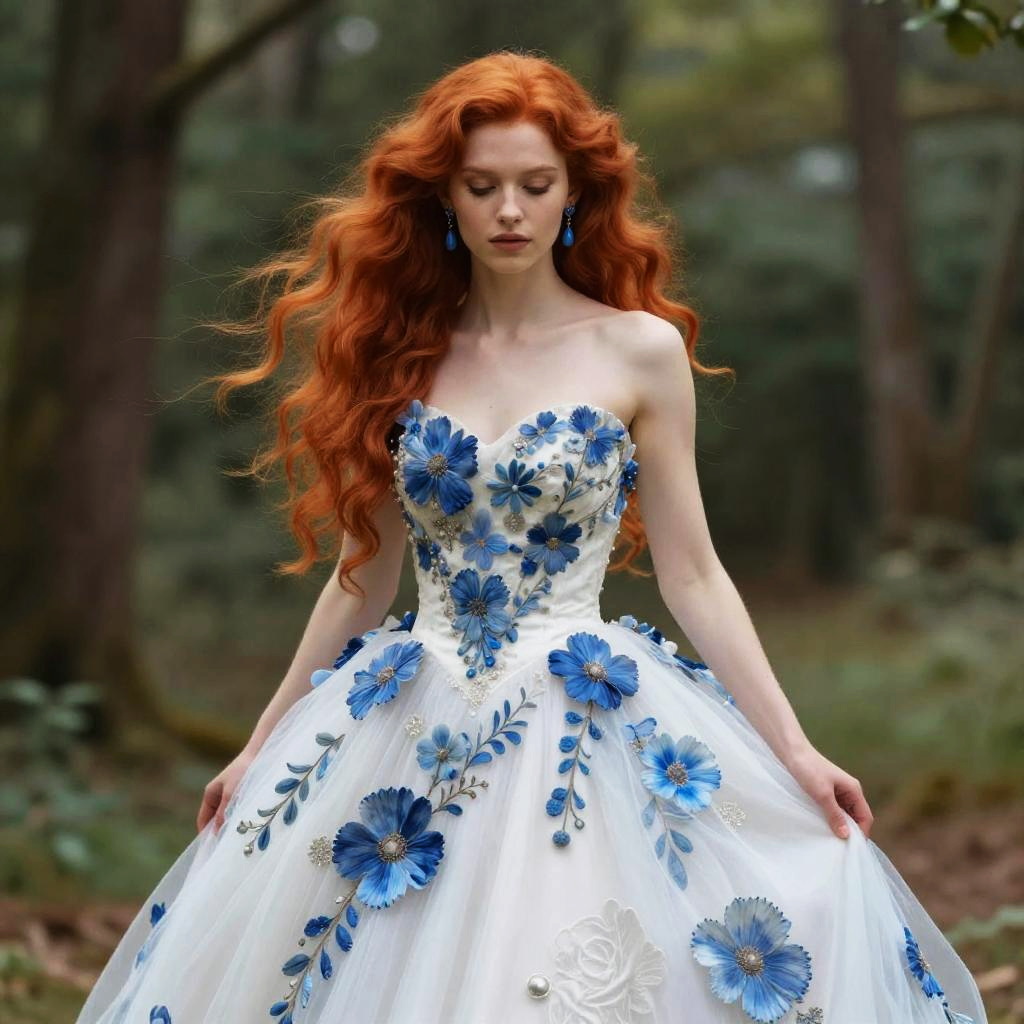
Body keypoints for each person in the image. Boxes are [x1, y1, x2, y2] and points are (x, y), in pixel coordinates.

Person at [75, 50, 987, 1024]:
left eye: (534, 185)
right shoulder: (402, 357)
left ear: (574, 196)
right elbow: (361, 578)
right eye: (482, 186)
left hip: (577, 717)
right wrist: (259, 746)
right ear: (446, 201)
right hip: (404, 716)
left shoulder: (638, 349)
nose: (509, 209)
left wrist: (796, 750)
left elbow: (693, 572)